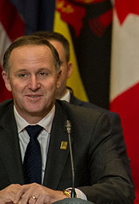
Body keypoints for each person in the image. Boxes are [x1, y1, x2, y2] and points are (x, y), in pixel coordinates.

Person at [0, 35, 134, 204]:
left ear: (58, 77)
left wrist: (63, 196)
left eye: (43, 74)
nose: (33, 85)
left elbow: (121, 190)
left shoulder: (90, 124)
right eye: (23, 75)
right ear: (7, 80)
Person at [33, 30, 132, 184]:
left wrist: (68, 197)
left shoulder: (100, 121)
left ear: (69, 69)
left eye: (55, 64)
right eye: (37, 67)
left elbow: (119, 189)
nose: (44, 73)